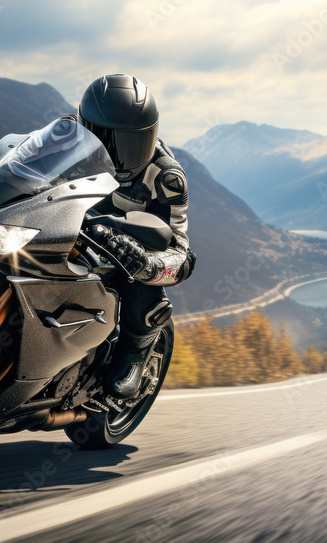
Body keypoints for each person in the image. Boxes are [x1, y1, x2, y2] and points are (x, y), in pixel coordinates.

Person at [77, 74, 197, 399]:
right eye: (103, 142)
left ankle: (134, 355)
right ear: (83, 127)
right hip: (67, 230)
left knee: (142, 283)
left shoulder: (167, 178)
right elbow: (19, 163)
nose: (116, 156)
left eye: (130, 144)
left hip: (125, 251)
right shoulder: (65, 139)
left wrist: (145, 262)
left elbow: (180, 251)